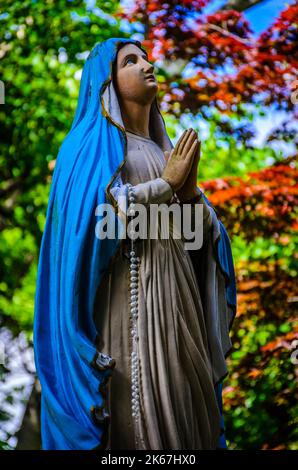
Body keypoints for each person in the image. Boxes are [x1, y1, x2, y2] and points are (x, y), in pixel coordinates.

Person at [33, 37, 237, 450]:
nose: (147, 64)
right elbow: (96, 224)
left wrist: (190, 195)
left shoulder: (167, 153)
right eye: (130, 61)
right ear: (105, 83)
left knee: (186, 421)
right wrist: (166, 186)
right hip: (126, 313)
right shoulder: (84, 149)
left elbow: (200, 241)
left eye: (146, 57)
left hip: (179, 310)